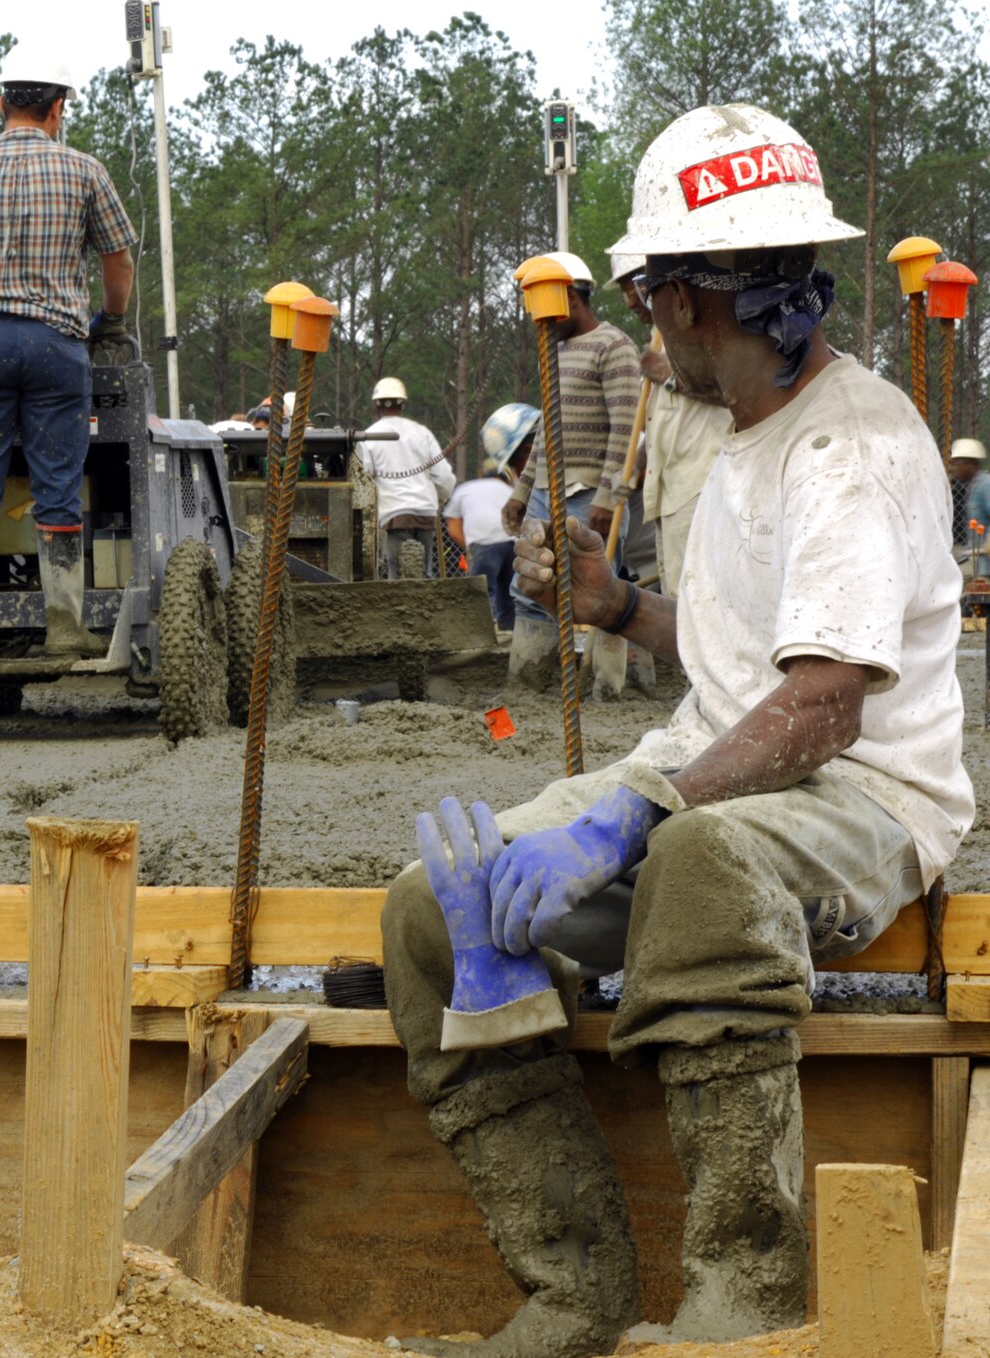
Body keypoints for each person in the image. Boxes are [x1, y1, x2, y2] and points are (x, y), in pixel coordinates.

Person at [384, 104, 968, 1357]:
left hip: (866, 795)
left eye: (651, 301)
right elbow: (740, 664)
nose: (649, 328)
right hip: (725, 764)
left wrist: (635, 812)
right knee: (431, 910)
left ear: (690, 302)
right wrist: (618, 607)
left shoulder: (847, 451)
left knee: (699, 868)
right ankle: (574, 1290)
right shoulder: (739, 430)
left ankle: (739, 1300)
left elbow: (821, 703)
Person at [0, 48, 137, 664]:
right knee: (58, 481)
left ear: (2, 103)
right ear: (57, 108)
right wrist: (111, 321)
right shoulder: (85, 171)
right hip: (57, 345)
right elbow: (118, 259)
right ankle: (64, 626)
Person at [500, 250, 642, 689]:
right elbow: (546, 433)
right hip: (547, 492)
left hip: (589, 496)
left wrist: (608, 498)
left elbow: (627, 430)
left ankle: (610, 686)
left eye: (546, 312)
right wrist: (522, 492)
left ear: (571, 301)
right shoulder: (555, 352)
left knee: (602, 593)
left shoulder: (613, 347)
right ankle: (531, 679)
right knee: (530, 585)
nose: (539, 324)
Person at [612, 251, 730, 599]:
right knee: (677, 596)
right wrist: (639, 467)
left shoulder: (705, 325)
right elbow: (664, 422)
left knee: (700, 601)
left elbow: (735, 392)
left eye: (633, 285)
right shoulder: (658, 337)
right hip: (669, 494)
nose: (629, 299)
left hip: (702, 487)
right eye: (623, 289)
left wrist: (669, 374)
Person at [445, 404, 531, 630]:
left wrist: (472, 546)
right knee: (508, 591)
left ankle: (477, 632)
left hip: (484, 543)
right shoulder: (513, 490)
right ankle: (510, 632)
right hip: (512, 543)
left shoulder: (466, 488)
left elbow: (453, 527)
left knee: (480, 590)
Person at [360, 378, 456, 578]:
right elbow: (443, 475)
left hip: (393, 516)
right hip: (425, 513)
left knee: (397, 577)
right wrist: (442, 496)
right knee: (426, 574)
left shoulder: (368, 437)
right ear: (402, 404)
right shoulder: (421, 433)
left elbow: (364, 479)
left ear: (376, 405)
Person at [948, 438, 990, 576]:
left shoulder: (985, 485)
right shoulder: (972, 487)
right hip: (975, 559)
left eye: (958, 464)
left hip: (984, 563)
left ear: (970, 463)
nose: (955, 469)